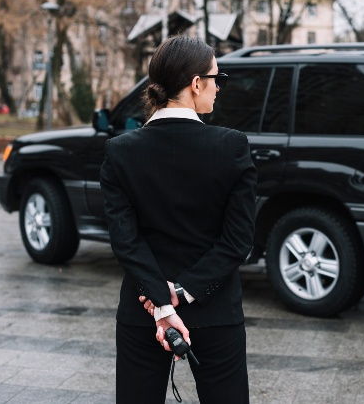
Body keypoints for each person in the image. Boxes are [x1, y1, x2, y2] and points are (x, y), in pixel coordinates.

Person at [100, 35, 257, 403]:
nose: (219, 87)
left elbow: (126, 240)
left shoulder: (120, 151)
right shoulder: (232, 146)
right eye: (217, 78)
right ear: (196, 83)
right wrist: (181, 292)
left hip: (143, 313)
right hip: (214, 310)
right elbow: (238, 241)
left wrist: (161, 302)